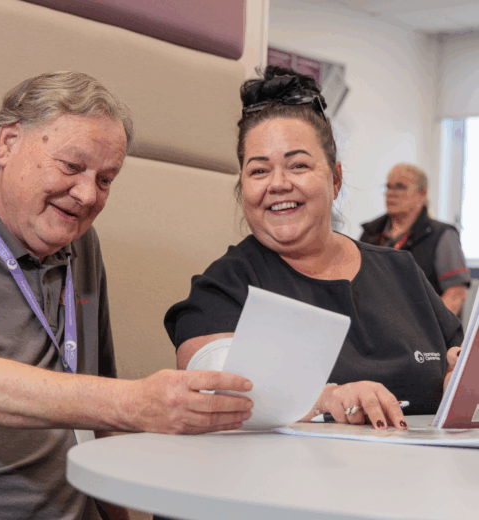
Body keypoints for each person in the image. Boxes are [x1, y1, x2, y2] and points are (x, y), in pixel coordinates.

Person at [0, 71, 254, 520]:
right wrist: (131, 403)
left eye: (106, 179)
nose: (86, 195)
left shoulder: (78, 242)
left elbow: (101, 416)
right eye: (72, 166)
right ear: (7, 143)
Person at [164, 65, 463, 432]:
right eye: (259, 171)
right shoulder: (226, 285)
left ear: (335, 180)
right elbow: (212, 385)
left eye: (299, 165)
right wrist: (324, 397)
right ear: (243, 188)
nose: (278, 184)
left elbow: (459, 364)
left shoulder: (402, 271)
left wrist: (460, 383)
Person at [360, 163, 471, 315]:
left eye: (400, 186)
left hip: (424, 331)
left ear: (422, 194)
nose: (391, 193)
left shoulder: (442, 234)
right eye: (388, 186)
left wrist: (433, 330)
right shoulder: (371, 233)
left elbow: (456, 293)